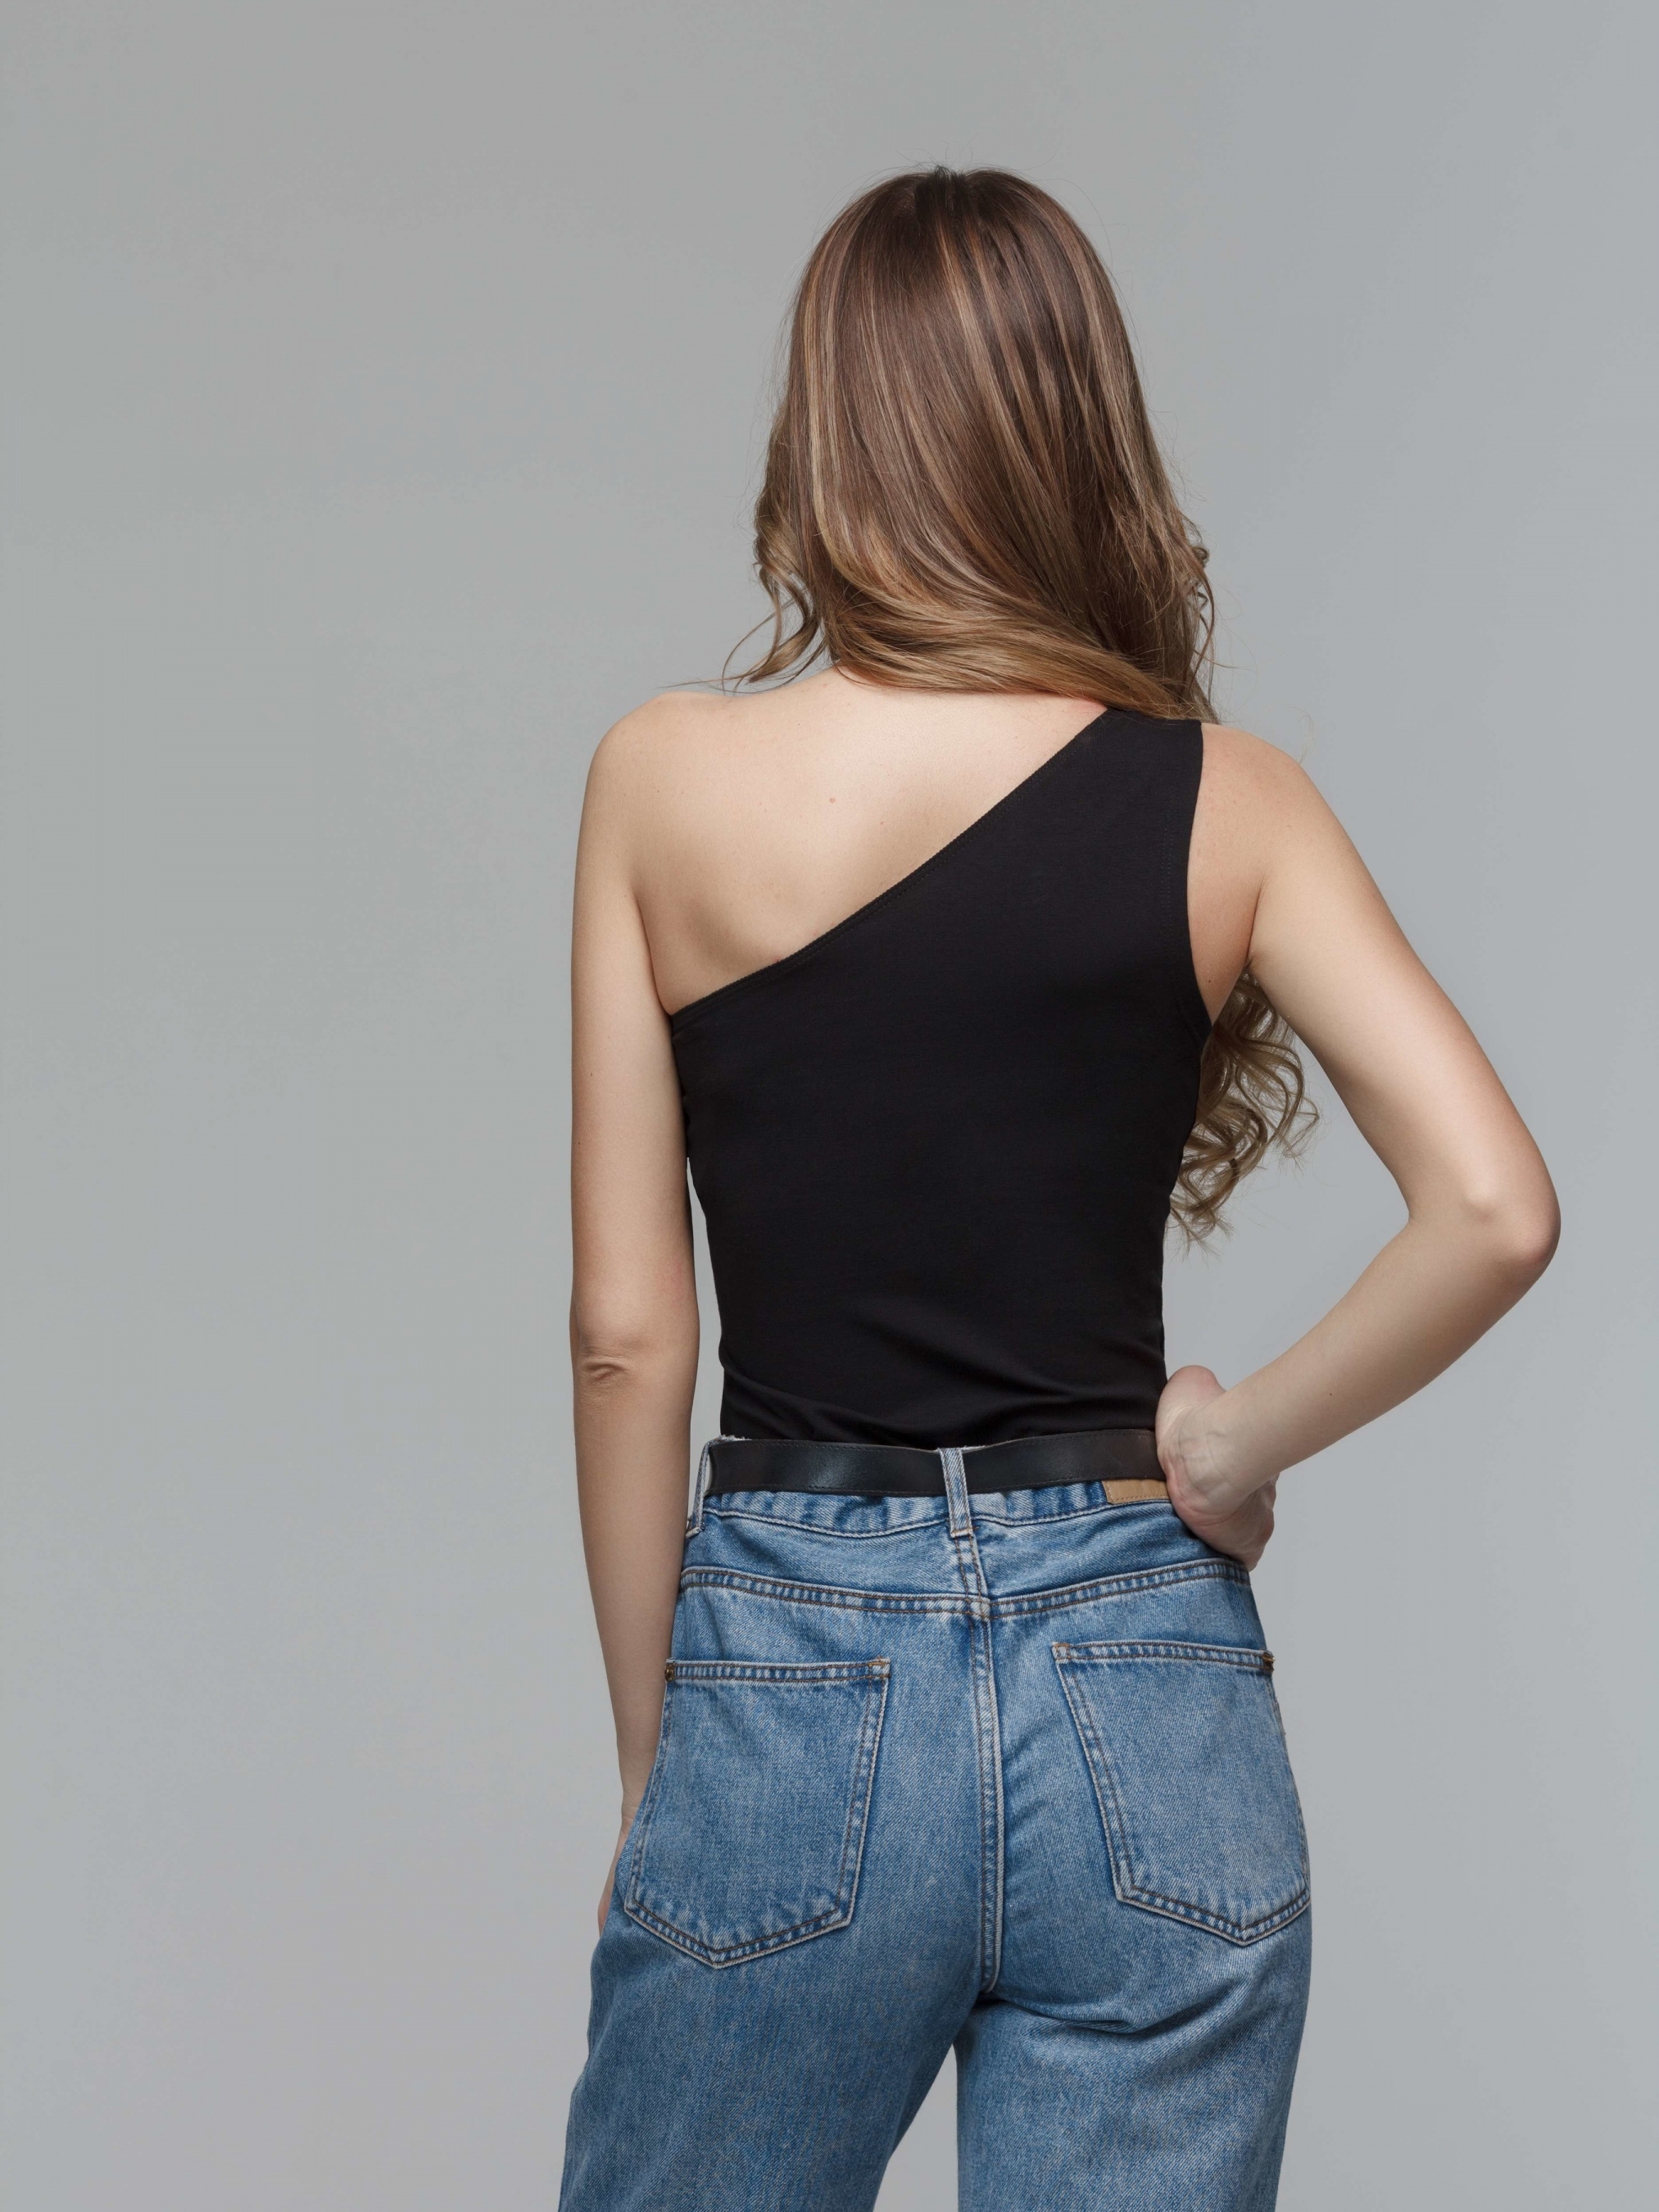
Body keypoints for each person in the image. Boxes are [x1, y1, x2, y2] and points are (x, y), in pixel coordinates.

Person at [556, 167, 1558, 2212]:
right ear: (1076, 425)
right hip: (1145, 1677)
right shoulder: (1229, 800)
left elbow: (625, 1337)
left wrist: (667, 1760)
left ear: (827, 432)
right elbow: (1492, 1207)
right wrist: (1232, 1443)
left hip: (793, 1667)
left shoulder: (662, 780)